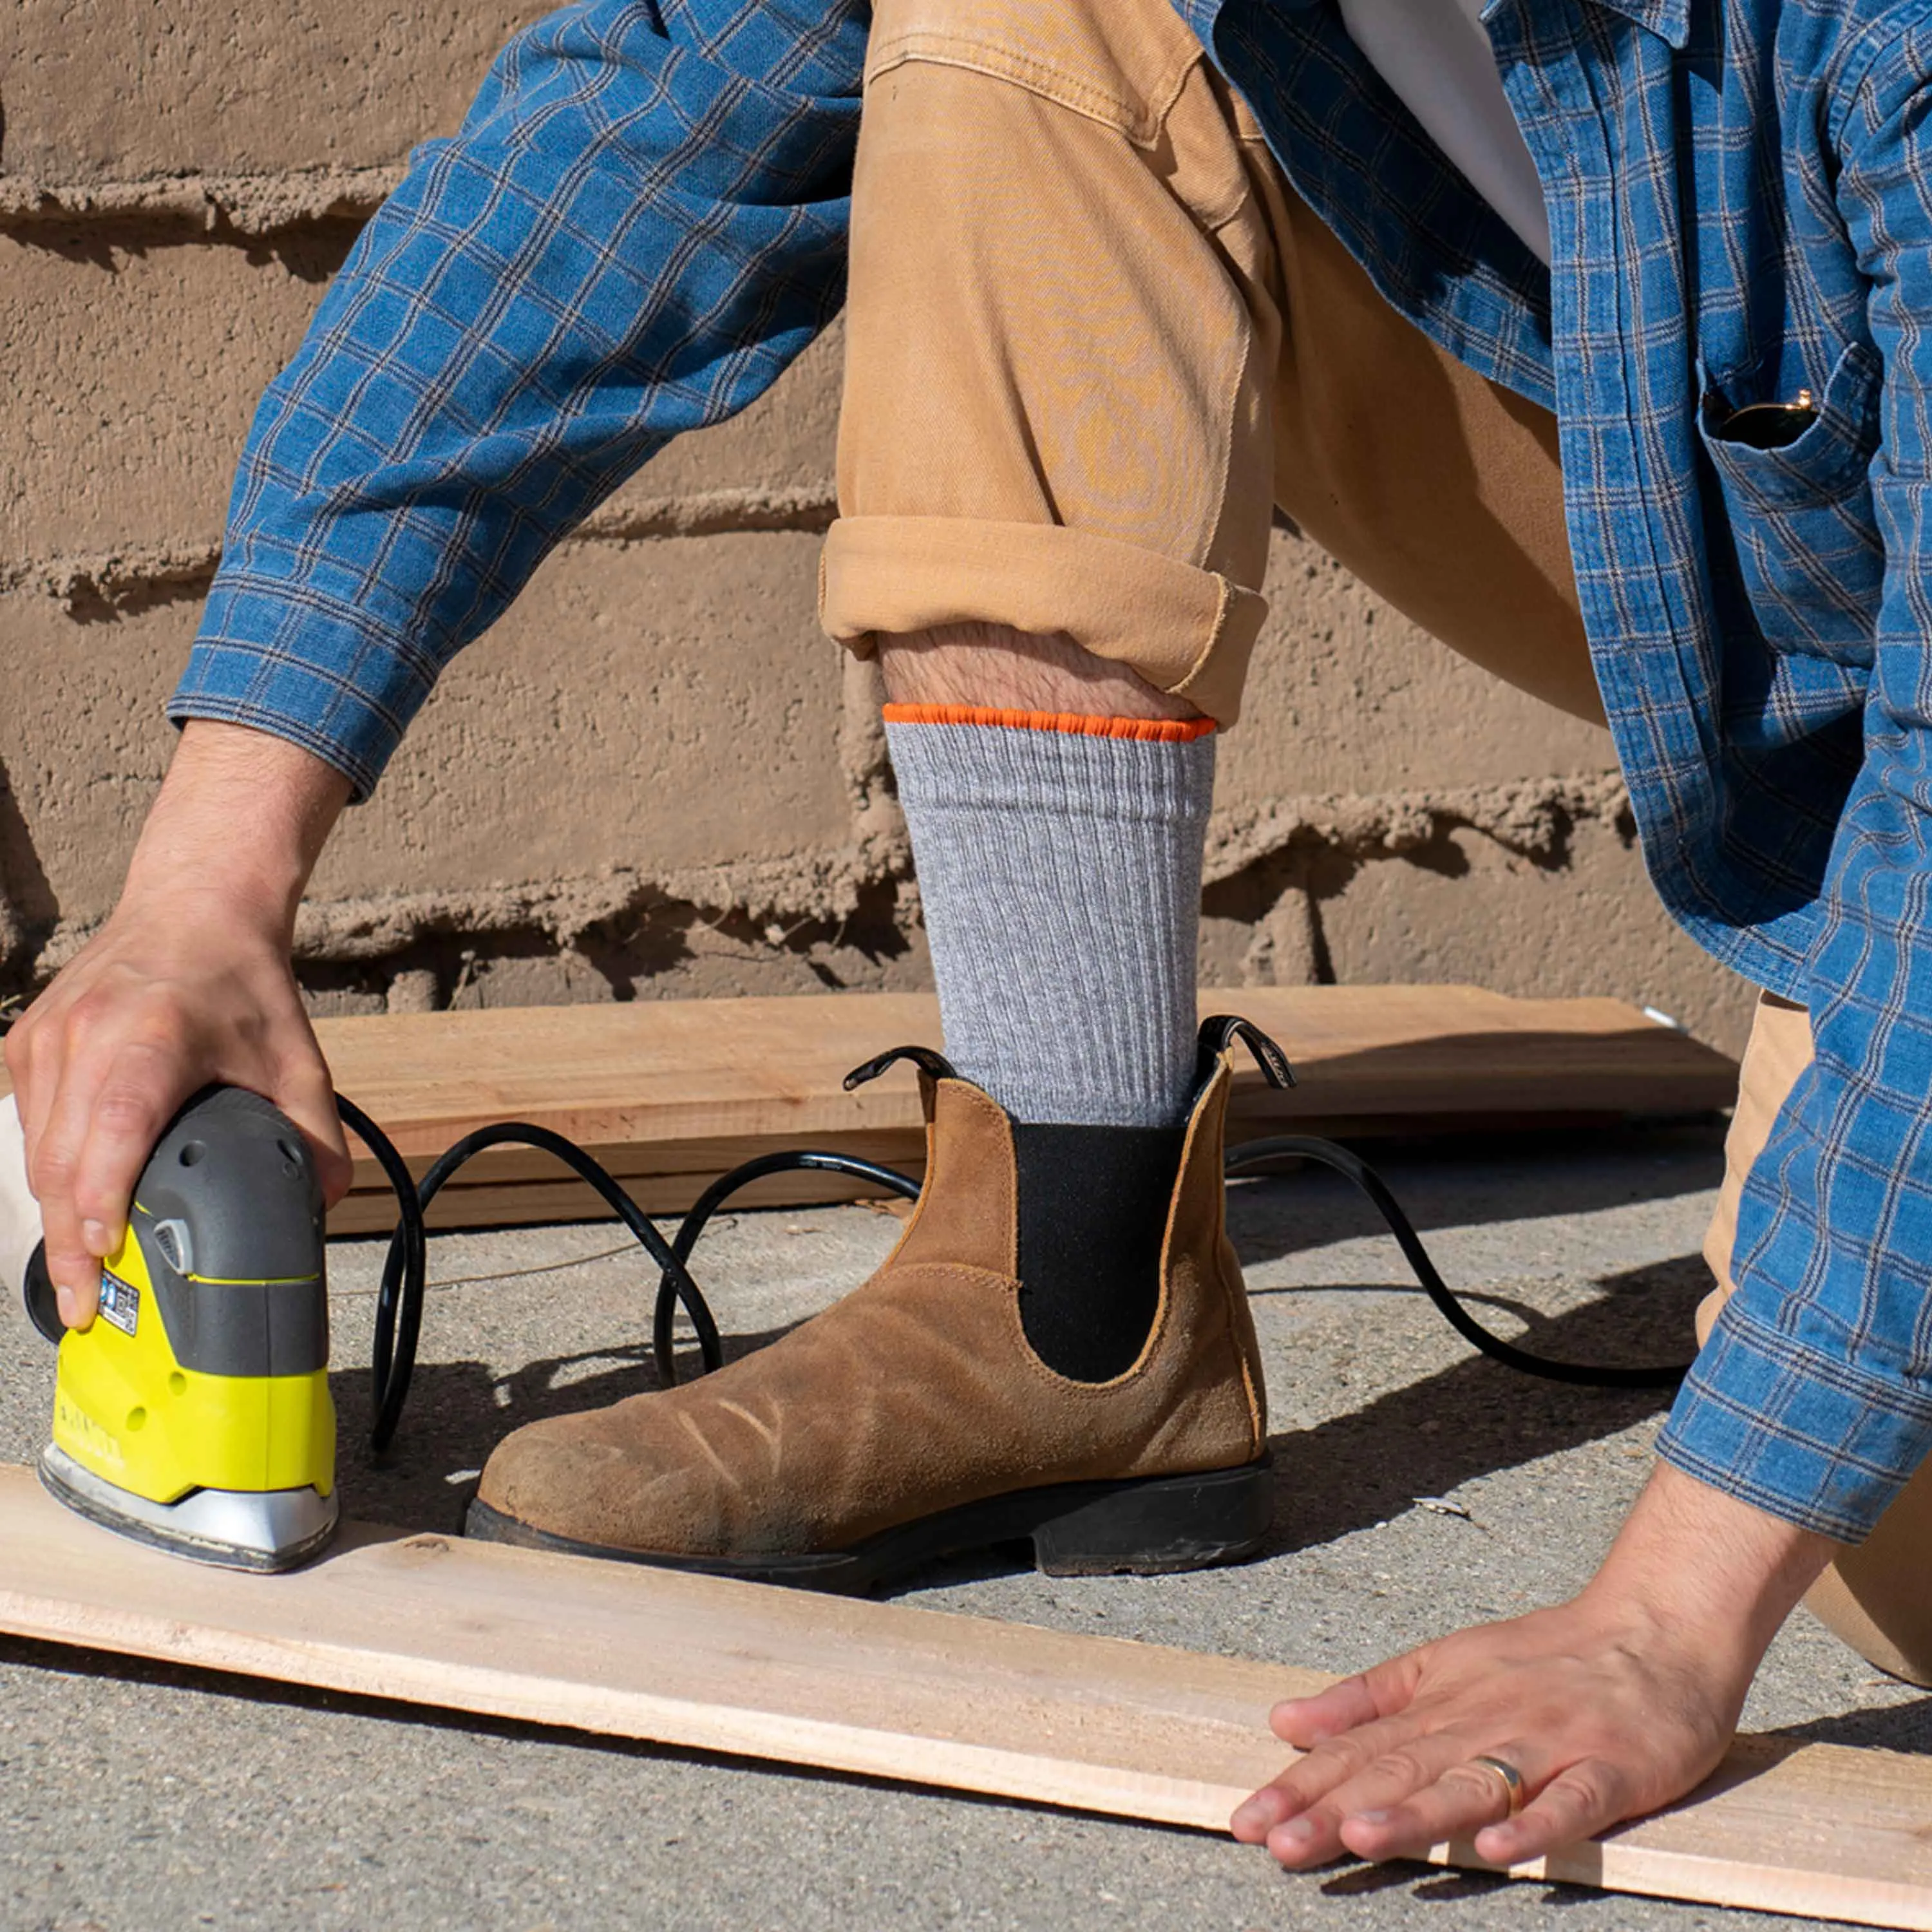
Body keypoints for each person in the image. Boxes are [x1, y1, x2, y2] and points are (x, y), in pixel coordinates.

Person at [9, 0, 1932, 1879]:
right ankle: (1064, 1306)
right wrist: (202, 889)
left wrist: (1671, 1611)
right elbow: (613, 165)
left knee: (1893, 1543)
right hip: (1695, 498)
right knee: (1019, 15)